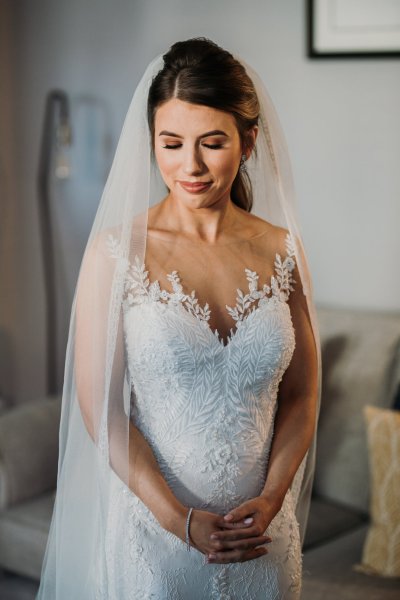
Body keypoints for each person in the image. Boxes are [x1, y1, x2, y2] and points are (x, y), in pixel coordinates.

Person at [36, 38, 321, 599]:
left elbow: (303, 395)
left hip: (260, 540)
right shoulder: (116, 253)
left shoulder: (283, 250)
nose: (188, 166)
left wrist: (272, 499)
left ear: (248, 142)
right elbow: (103, 410)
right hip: (156, 542)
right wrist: (176, 519)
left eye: (212, 143)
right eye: (170, 143)